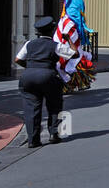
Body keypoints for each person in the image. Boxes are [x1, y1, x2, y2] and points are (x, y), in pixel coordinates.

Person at [16, 16, 72, 146]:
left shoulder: (29, 44)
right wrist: (68, 39)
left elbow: (17, 59)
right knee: (54, 105)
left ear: (38, 32)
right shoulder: (55, 45)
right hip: (48, 75)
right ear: (52, 30)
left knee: (31, 109)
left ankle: (33, 140)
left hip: (28, 76)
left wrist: (30, 67)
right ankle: (54, 134)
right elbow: (74, 54)